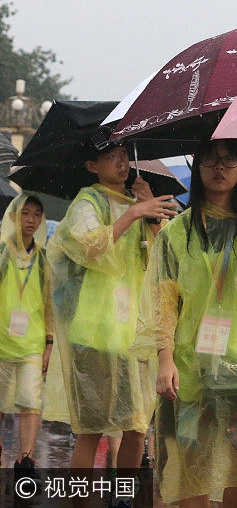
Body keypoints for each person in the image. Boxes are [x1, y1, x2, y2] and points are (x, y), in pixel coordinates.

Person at [47, 141, 177, 474]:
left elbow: (163, 258)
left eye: (124, 156)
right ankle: (81, 497)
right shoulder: (87, 202)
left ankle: (123, 494)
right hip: (96, 331)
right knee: (91, 429)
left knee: (137, 425)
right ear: (92, 166)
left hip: (135, 331)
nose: (121, 163)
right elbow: (90, 247)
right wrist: (133, 214)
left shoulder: (138, 203)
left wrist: (149, 210)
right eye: (111, 157)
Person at [146, 138, 237, 508]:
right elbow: (164, 303)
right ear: (197, 167)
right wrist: (165, 360)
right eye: (210, 160)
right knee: (192, 465)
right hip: (190, 370)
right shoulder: (176, 232)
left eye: (229, 160)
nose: (220, 168)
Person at [0, 194, 53, 475]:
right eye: (25, 213)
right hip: (1, 342)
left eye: (36, 214)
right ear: (13, 216)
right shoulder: (2, 253)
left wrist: (49, 343)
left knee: (31, 402)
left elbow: (49, 305)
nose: (31, 220)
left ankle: (26, 461)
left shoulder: (43, 259)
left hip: (32, 344)